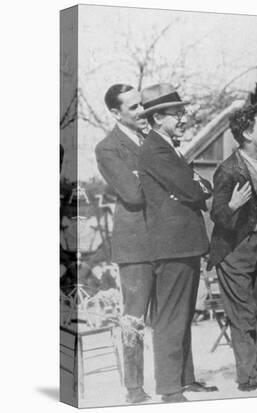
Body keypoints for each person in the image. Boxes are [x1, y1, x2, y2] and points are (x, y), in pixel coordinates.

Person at [138, 83, 217, 403]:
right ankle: (170, 389)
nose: (184, 118)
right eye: (177, 114)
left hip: (182, 244)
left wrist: (195, 186)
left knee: (182, 313)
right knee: (171, 316)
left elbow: (199, 186)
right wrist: (194, 187)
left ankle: (185, 378)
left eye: (183, 112)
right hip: (172, 246)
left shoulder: (166, 147)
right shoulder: (156, 149)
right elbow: (194, 189)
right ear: (157, 119)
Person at [208, 103, 257, 391]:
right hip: (234, 250)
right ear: (247, 133)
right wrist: (232, 205)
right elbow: (217, 216)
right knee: (243, 314)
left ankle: (253, 360)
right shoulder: (227, 170)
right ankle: (246, 376)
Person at [95, 84, 153, 404]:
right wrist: (156, 176)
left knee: (172, 312)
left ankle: (180, 380)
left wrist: (141, 173)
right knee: (134, 318)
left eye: (142, 104)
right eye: (133, 107)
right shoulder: (108, 148)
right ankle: (134, 389)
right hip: (135, 244)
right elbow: (132, 194)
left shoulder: (152, 140)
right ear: (116, 114)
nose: (142, 111)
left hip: (163, 239)